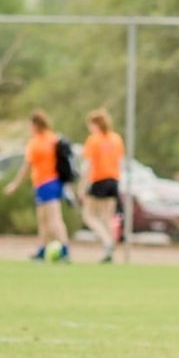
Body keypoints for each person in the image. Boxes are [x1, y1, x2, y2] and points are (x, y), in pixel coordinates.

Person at [4, 110, 71, 262]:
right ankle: (42, 249)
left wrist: (15, 185)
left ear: (35, 124)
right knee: (43, 219)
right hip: (52, 183)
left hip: (46, 183)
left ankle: (65, 249)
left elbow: (26, 167)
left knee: (54, 219)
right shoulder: (53, 138)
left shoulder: (36, 143)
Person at [78, 108, 124, 263]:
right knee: (107, 218)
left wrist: (82, 186)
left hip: (99, 180)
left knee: (89, 215)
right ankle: (110, 250)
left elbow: (88, 165)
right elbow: (120, 162)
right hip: (114, 181)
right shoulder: (116, 139)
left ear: (95, 124)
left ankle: (107, 242)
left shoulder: (94, 140)